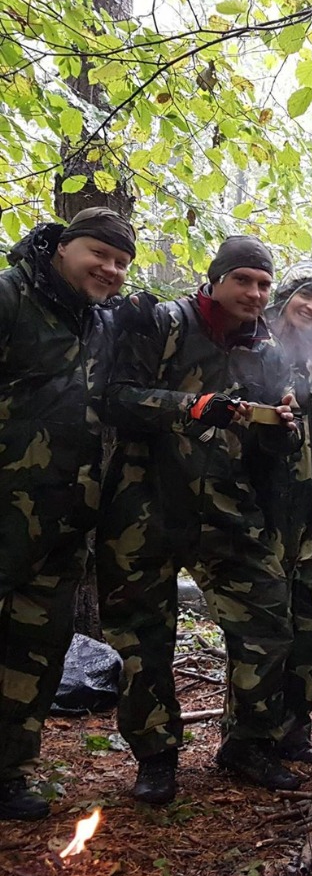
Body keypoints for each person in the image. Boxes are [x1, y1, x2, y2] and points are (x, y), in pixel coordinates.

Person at [98, 235, 301, 805]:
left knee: (266, 619)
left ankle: (247, 743)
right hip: (144, 503)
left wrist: (283, 430)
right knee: (143, 636)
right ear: (215, 279)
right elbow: (114, 397)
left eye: (264, 284)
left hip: (228, 505)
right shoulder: (165, 323)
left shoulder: (266, 351)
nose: (256, 293)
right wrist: (187, 407)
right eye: (244, 280)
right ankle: (156, 757)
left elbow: (273, 439)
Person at [0, 207, 136, 821]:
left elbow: (115, 398)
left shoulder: (102, 321)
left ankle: (6, 774)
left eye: (120, 263)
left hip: (61, 521)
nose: (109, 269)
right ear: (62, 247)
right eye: (98, 254)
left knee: (36, 650)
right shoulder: (11, 298)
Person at [259, 262, 312, 764]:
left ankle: (295, 727)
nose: (310, 307)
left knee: (310, 623)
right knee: (265, 627)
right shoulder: (252, 344)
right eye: (304, 296)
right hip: (266, 508)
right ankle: (252, 733)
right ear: (285, 295)